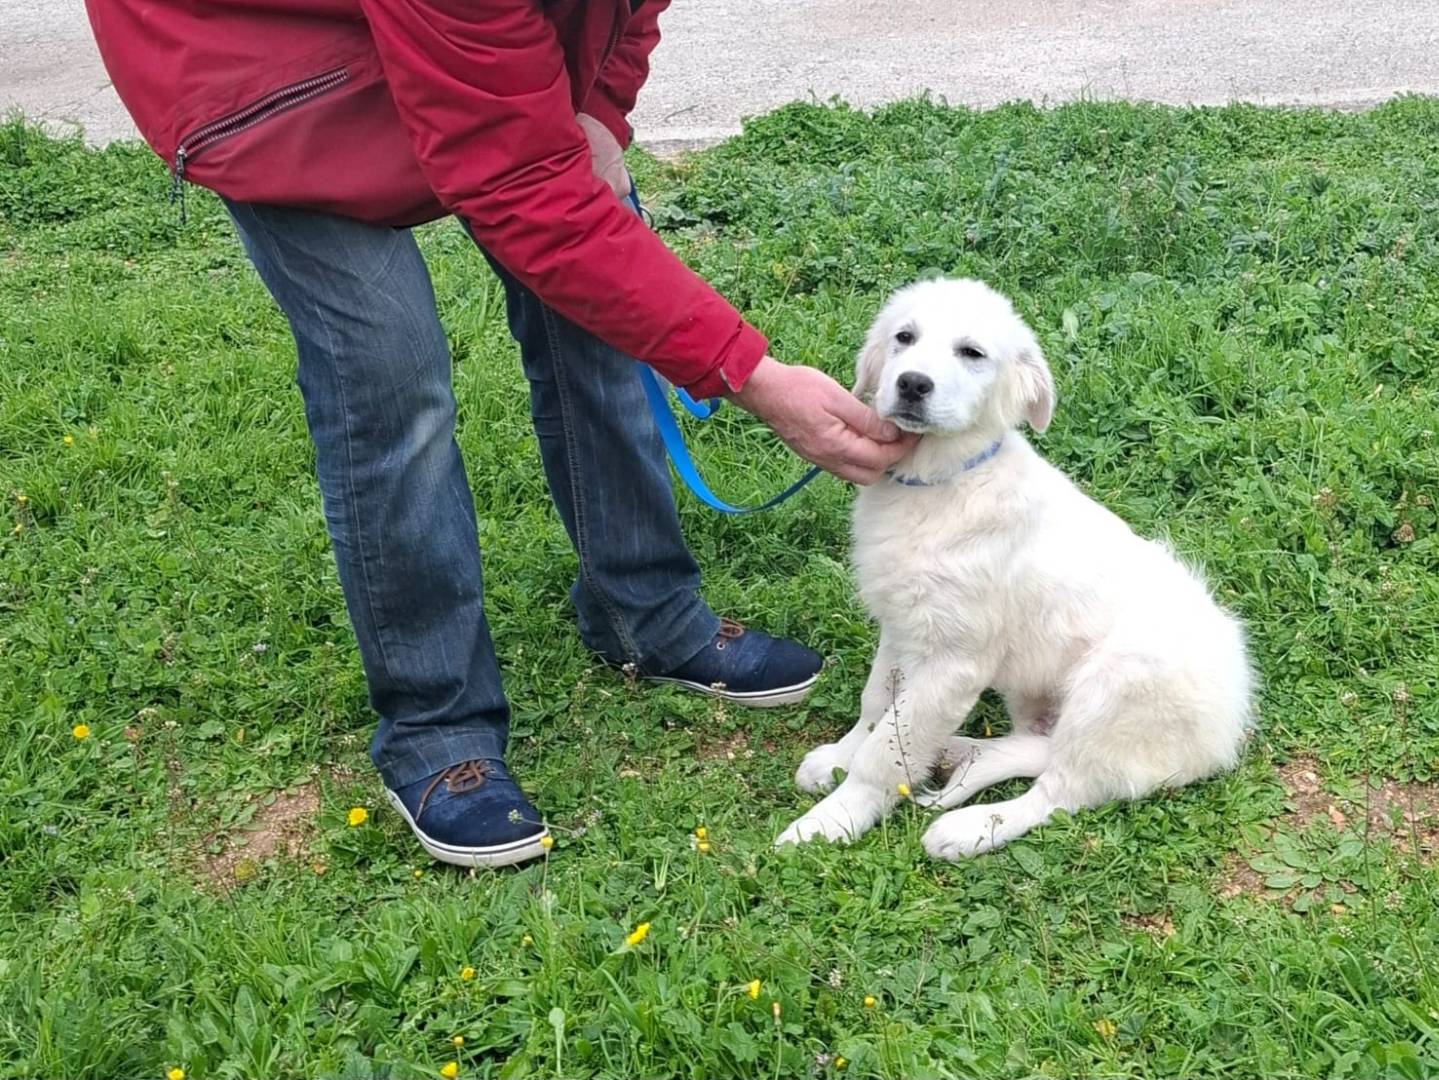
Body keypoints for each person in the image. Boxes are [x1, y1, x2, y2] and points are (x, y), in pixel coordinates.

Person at [85, 0, 914, 868]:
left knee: (594, 299)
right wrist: (749, 375)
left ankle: (647, 615)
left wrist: (594, 112)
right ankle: (434, 725)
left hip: (453, 41)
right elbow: (518, 184)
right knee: (390, 373)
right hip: (261, 65)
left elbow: (621, 17)